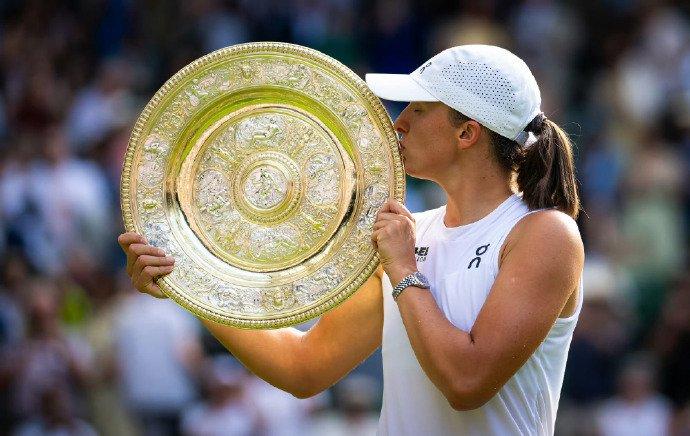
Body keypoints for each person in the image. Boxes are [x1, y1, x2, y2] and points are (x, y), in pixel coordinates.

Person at [119, 45, 584, 435]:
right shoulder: (406, 233)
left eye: (418, 110)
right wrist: (188, 282)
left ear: (467, 133)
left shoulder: (545, 235)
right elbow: (305, 368)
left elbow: (467, 382)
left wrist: (403, 268)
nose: (399, 124)